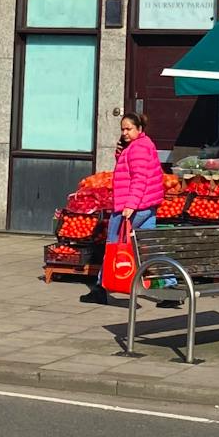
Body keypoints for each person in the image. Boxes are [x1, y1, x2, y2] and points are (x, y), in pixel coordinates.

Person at [82, 111, 165, 304]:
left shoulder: (137, 148)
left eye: (129, 129)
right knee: (148, 248)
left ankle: (101, 287)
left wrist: (130, 205)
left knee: (113, 245)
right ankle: (169, 287)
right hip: (148, 205)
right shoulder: (144, 144)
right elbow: (132, 171)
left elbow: (139, 178)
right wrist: (121, 153)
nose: (125, 133)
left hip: (131, 206)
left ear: (139, 129)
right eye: (123, 129)